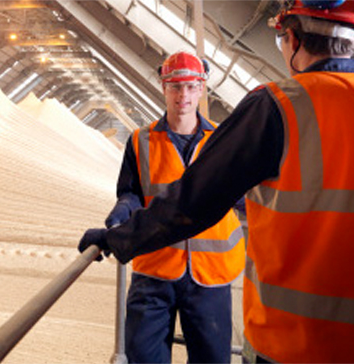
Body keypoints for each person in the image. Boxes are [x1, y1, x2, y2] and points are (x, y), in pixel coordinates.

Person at [79, 0, 354, 363]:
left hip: (291, 343)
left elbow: (192, 203)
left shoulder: (277, 107)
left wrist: (117, 238)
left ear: (291, 39)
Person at [103, 51, 246, 364]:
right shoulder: (141, 140)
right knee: (143, 357)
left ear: (201, 89)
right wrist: (121, 212)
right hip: (154, 269)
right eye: (176, 86)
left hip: (211, 275)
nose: (184, 95)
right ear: (163, 86)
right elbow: (132, 192)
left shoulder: (222, 140)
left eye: (192, 87)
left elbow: (243, 196)